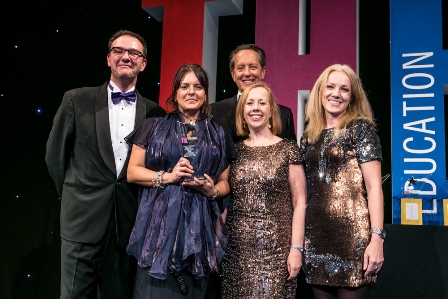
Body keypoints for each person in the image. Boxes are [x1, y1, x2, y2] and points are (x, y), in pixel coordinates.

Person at [45, 29, 165, 298]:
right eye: (119, 51)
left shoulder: (155, 113)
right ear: (108, 58)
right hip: (81, 220)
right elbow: (55, 156)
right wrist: (74, 196)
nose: (126, 57)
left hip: (128, 223)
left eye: (134, 53)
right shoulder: (76, 99)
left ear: (143, 63)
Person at [125, 63, 235, 299]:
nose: (191, 92)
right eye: (184, 86)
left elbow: (226, 182)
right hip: (159, 228)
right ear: (175, 92)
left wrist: (212, 190)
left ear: (206, 94)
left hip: (200, 231)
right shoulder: (151, 127)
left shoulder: (218, 133)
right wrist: (168, 177)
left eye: (198, 86)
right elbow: (132, 172)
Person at [300, 64, 385, 299]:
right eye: (330, 87)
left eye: (344, 89)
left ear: (352, 96)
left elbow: (375, 188)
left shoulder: (361, 130)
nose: (336, 94)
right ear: (320, 91)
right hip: (316, 241)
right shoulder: (309, 134)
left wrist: (377, 239)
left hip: (353, 243)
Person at [220, 82, 307, 298]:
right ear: (242, 112)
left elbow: (300, 203)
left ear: (271, 111)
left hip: (277, 253)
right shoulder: (234, 151)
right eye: (249, 103)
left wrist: (296, 249)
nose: (255, 107)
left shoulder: (288, 149)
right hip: (236, 253)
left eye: (262, 103)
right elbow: (226, 200)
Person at [211, 44, 296, 143]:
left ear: (263, 72)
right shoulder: (215, 112)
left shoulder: (284, 115)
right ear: (233, 74)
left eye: (253, 67)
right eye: (240, 68)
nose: (247, 73)